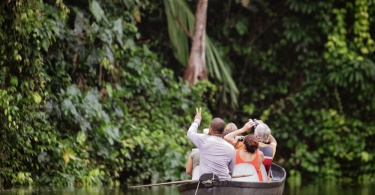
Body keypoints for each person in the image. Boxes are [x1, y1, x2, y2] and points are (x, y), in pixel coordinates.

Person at [187, 108, 236, 181]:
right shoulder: (231, 148)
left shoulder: (203, 140)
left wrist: (197, 120)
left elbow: (190, 133)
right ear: (223, 132)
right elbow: (231, 172)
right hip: (224, 183)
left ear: (210, 129)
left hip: (206, 182)